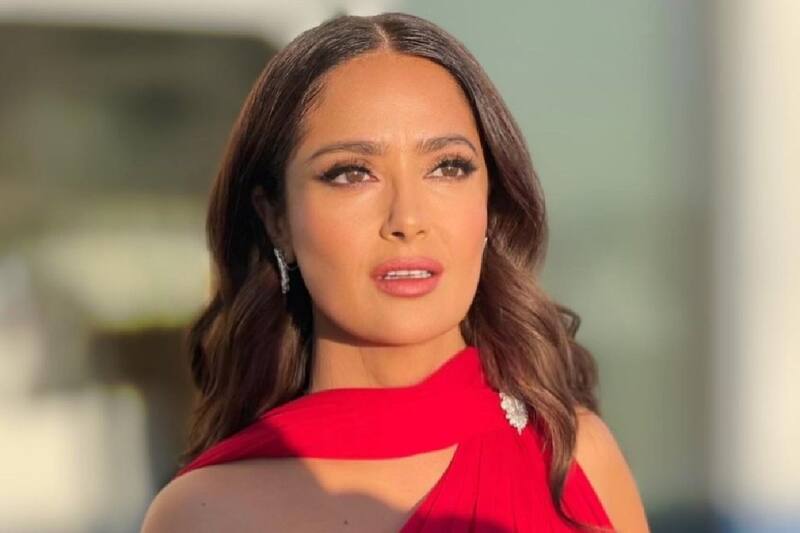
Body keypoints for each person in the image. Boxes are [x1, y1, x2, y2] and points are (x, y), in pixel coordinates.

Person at [140, 11, 649, 533]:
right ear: (277, 219)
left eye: (448, 167)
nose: (407, 219)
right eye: (351, 173)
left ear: (490, 201)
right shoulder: (205, 513)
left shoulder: (575, 457)